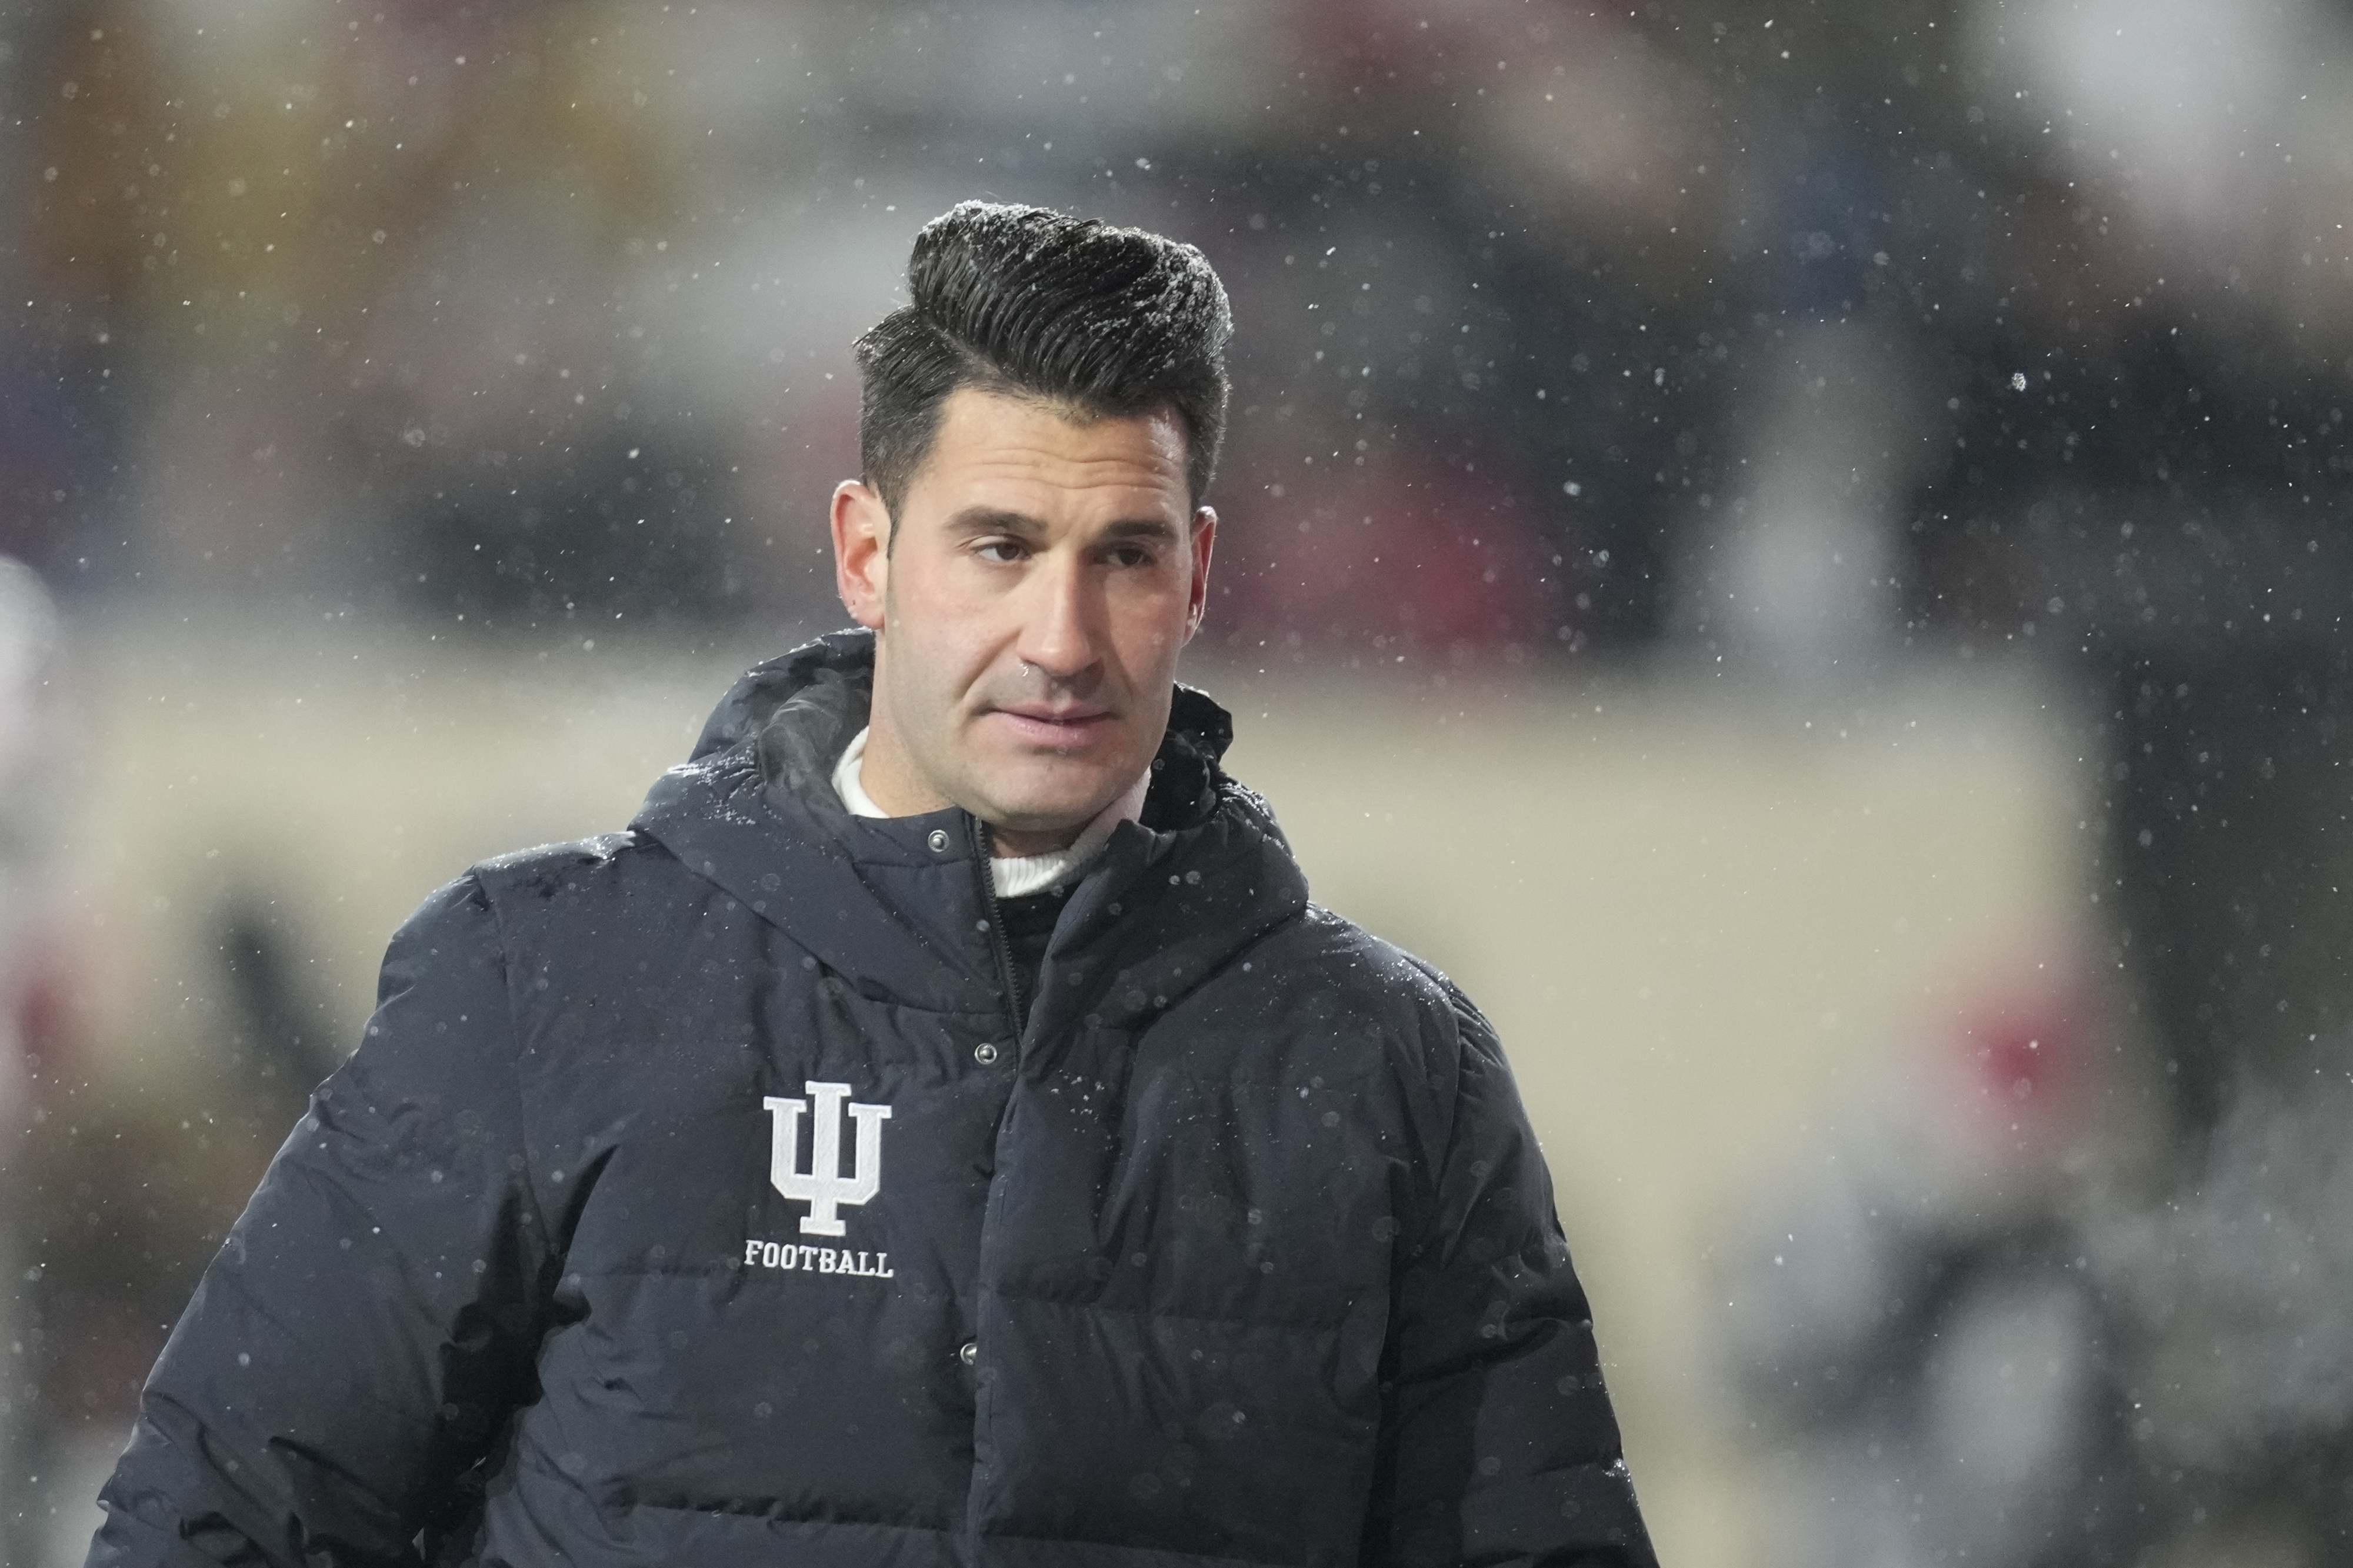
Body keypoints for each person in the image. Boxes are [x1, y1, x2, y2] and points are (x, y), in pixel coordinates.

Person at [87, 202, 1655, 1568]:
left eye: (1123, 553)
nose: (1060, 632)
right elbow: (223, 1514)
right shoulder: (545, 980)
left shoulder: (1391, 1078)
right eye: (997, 546)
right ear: (863, 550)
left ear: (1200, 577)